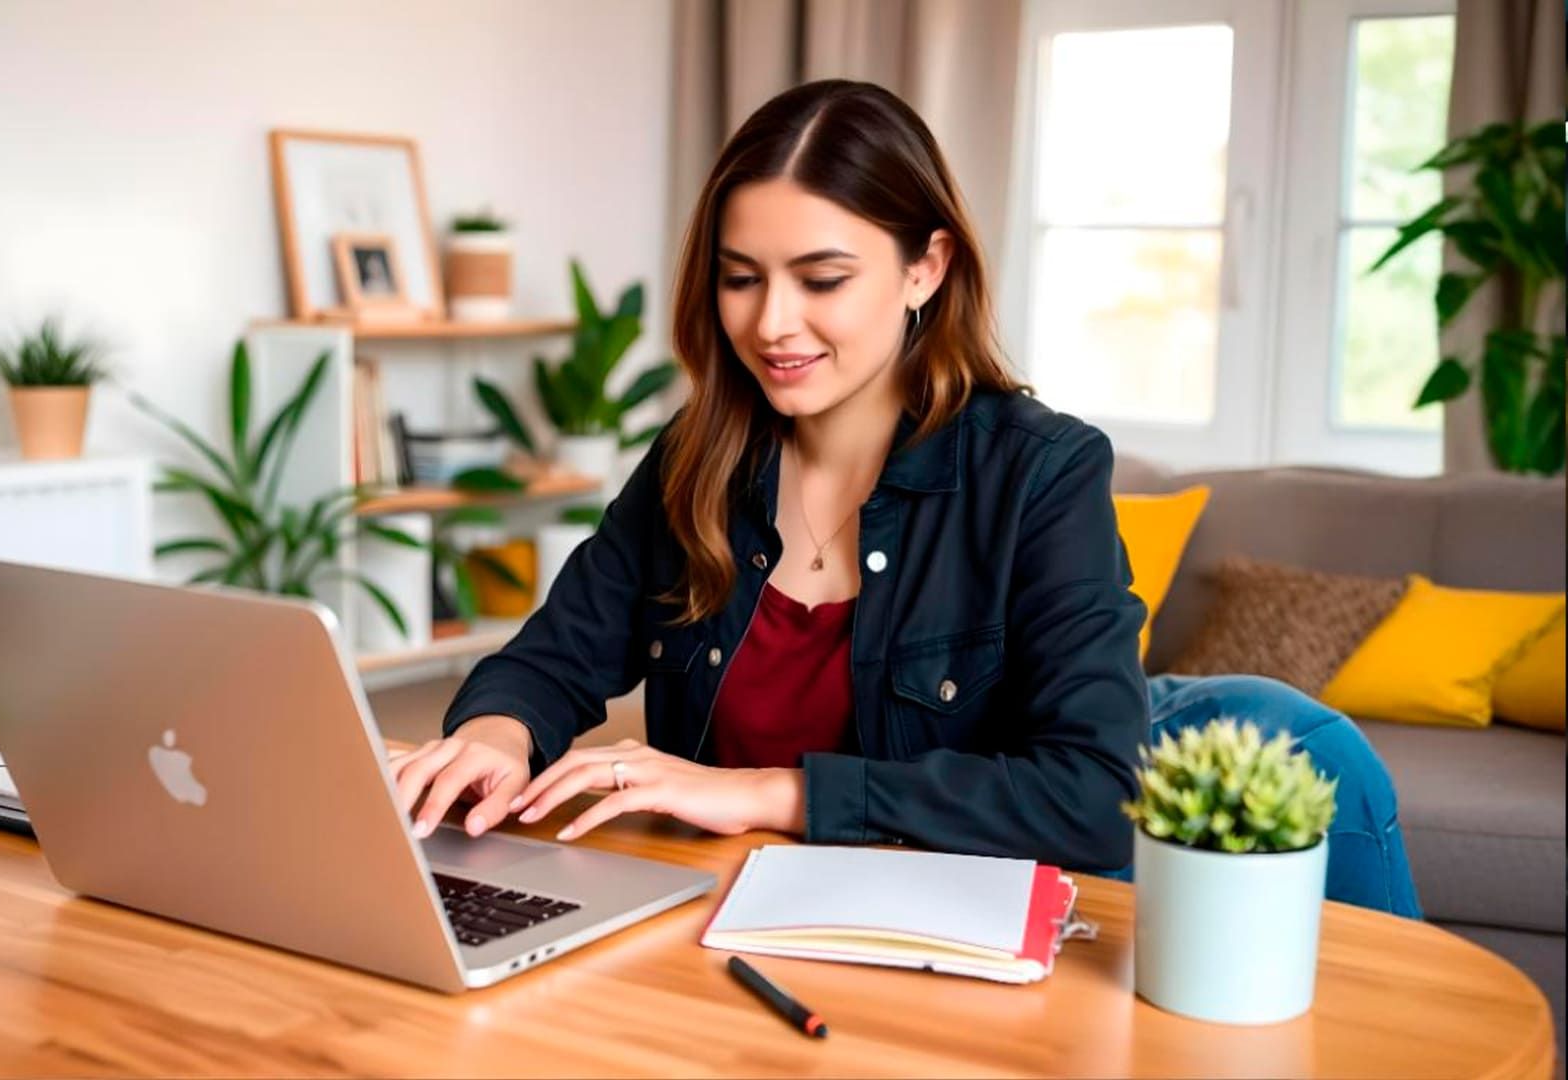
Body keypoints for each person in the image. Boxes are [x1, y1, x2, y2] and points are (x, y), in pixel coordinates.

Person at [390, 79, 1420, 918]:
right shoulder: (695, 460)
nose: (772, 323)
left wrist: (777, 792)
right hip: (755, 913)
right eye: (741, 277)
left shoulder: (1041, 471)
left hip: (942, 921)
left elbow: (1092, 794)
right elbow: (553, 659)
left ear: (926, 268)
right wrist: (496, 735)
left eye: (821, 279)